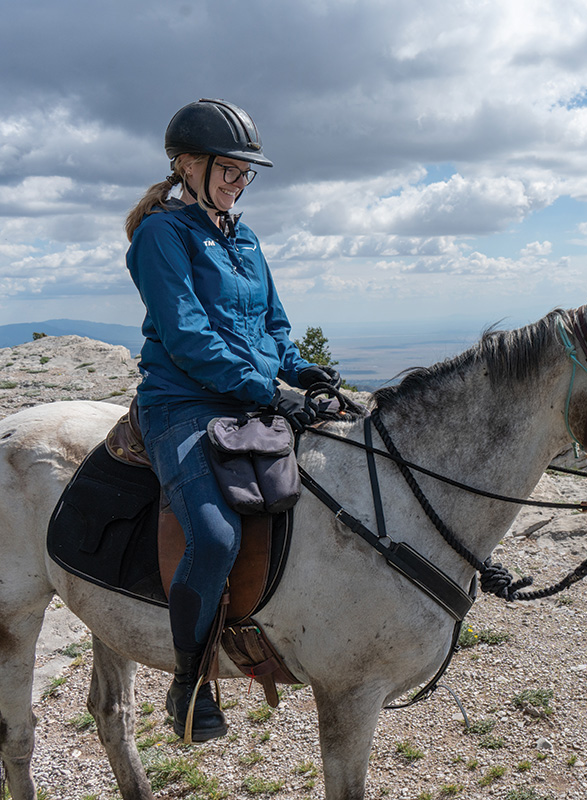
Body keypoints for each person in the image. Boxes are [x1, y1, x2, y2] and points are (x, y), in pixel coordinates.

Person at [124, 98, 337, 741]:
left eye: (247, 172)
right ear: (187, 165)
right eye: (229, 169)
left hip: (249, 398)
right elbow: (188, 338)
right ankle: (188, 684)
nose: (239, 181)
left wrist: (301, 372)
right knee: (214, 537)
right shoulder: (161, 236)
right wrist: (266, 389)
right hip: (182, 404)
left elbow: (273, 325)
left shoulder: (244, 237)